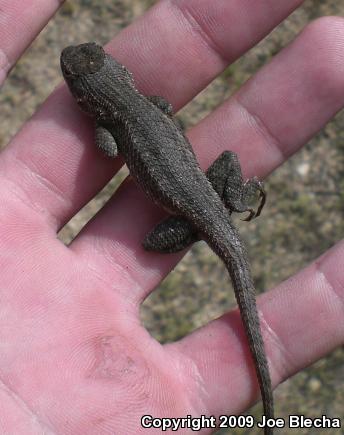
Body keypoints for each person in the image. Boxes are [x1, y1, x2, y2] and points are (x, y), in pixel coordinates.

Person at [0, 1, 343, 433]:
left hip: (191, 214)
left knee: (149, 245)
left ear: (87, 101)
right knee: (229, 160)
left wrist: (104, 132)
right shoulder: (147, 100)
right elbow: (161, 105)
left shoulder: (108, 124)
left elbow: (108, 150)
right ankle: (232, 202)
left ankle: (201, 229)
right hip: (207, 193)